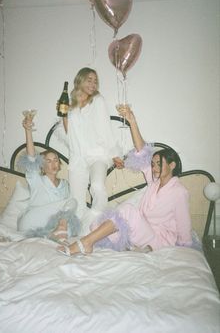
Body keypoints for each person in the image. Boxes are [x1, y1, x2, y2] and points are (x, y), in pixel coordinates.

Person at [58, 106, 192, 256]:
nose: (154, 168)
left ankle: (85, 243)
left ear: (172, 165)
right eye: (153, 164)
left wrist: (184, 249)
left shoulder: (179, 192)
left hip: (160, 241)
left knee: (128, 209)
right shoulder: (154, 182)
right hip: (143, 232)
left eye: (159, 164)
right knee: (97, 225)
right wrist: (132, 122)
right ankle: (128, 246)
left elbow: (184, 227)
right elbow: (142, 152)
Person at [59, 67, 123, 235]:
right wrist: (64, 115)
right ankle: (79, 234)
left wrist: (115, 153)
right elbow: (67, 135)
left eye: (95, 81)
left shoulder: (98, 101)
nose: (93, 84)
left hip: (97, 154)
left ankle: (93, 229)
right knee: (76, 199)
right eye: (89, 80)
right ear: (79, 80)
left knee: (97, 186)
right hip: (78, 157)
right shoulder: (71, 105)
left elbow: (105, 128)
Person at [17, 114, 80, 243]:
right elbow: (31, 158)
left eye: (56, 160)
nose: (53, 164)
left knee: (69, 215)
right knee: (72, 201)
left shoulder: (65, 185)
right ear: (41, 165)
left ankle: (52, 233)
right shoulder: (36, 179)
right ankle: (60, 227)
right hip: (31, 221)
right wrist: (28, 131)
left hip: (48, 225)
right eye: (48, 161)